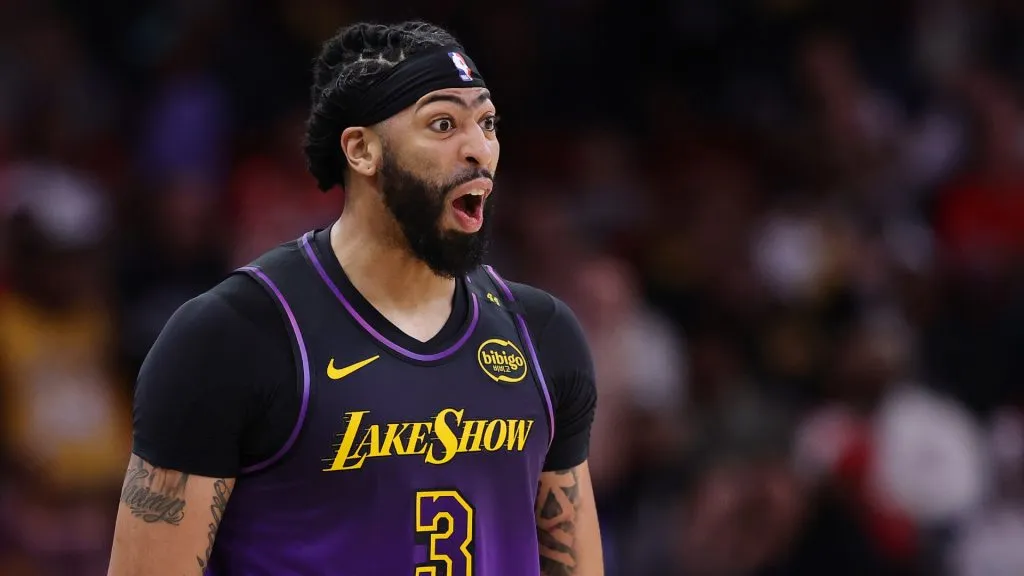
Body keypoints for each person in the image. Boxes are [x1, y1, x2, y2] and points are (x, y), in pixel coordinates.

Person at [107, 20, 603, 576]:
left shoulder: (542, 334)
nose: (479, 149)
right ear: (362, 150)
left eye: (487, 123)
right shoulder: (233, 337)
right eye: (443, 124)